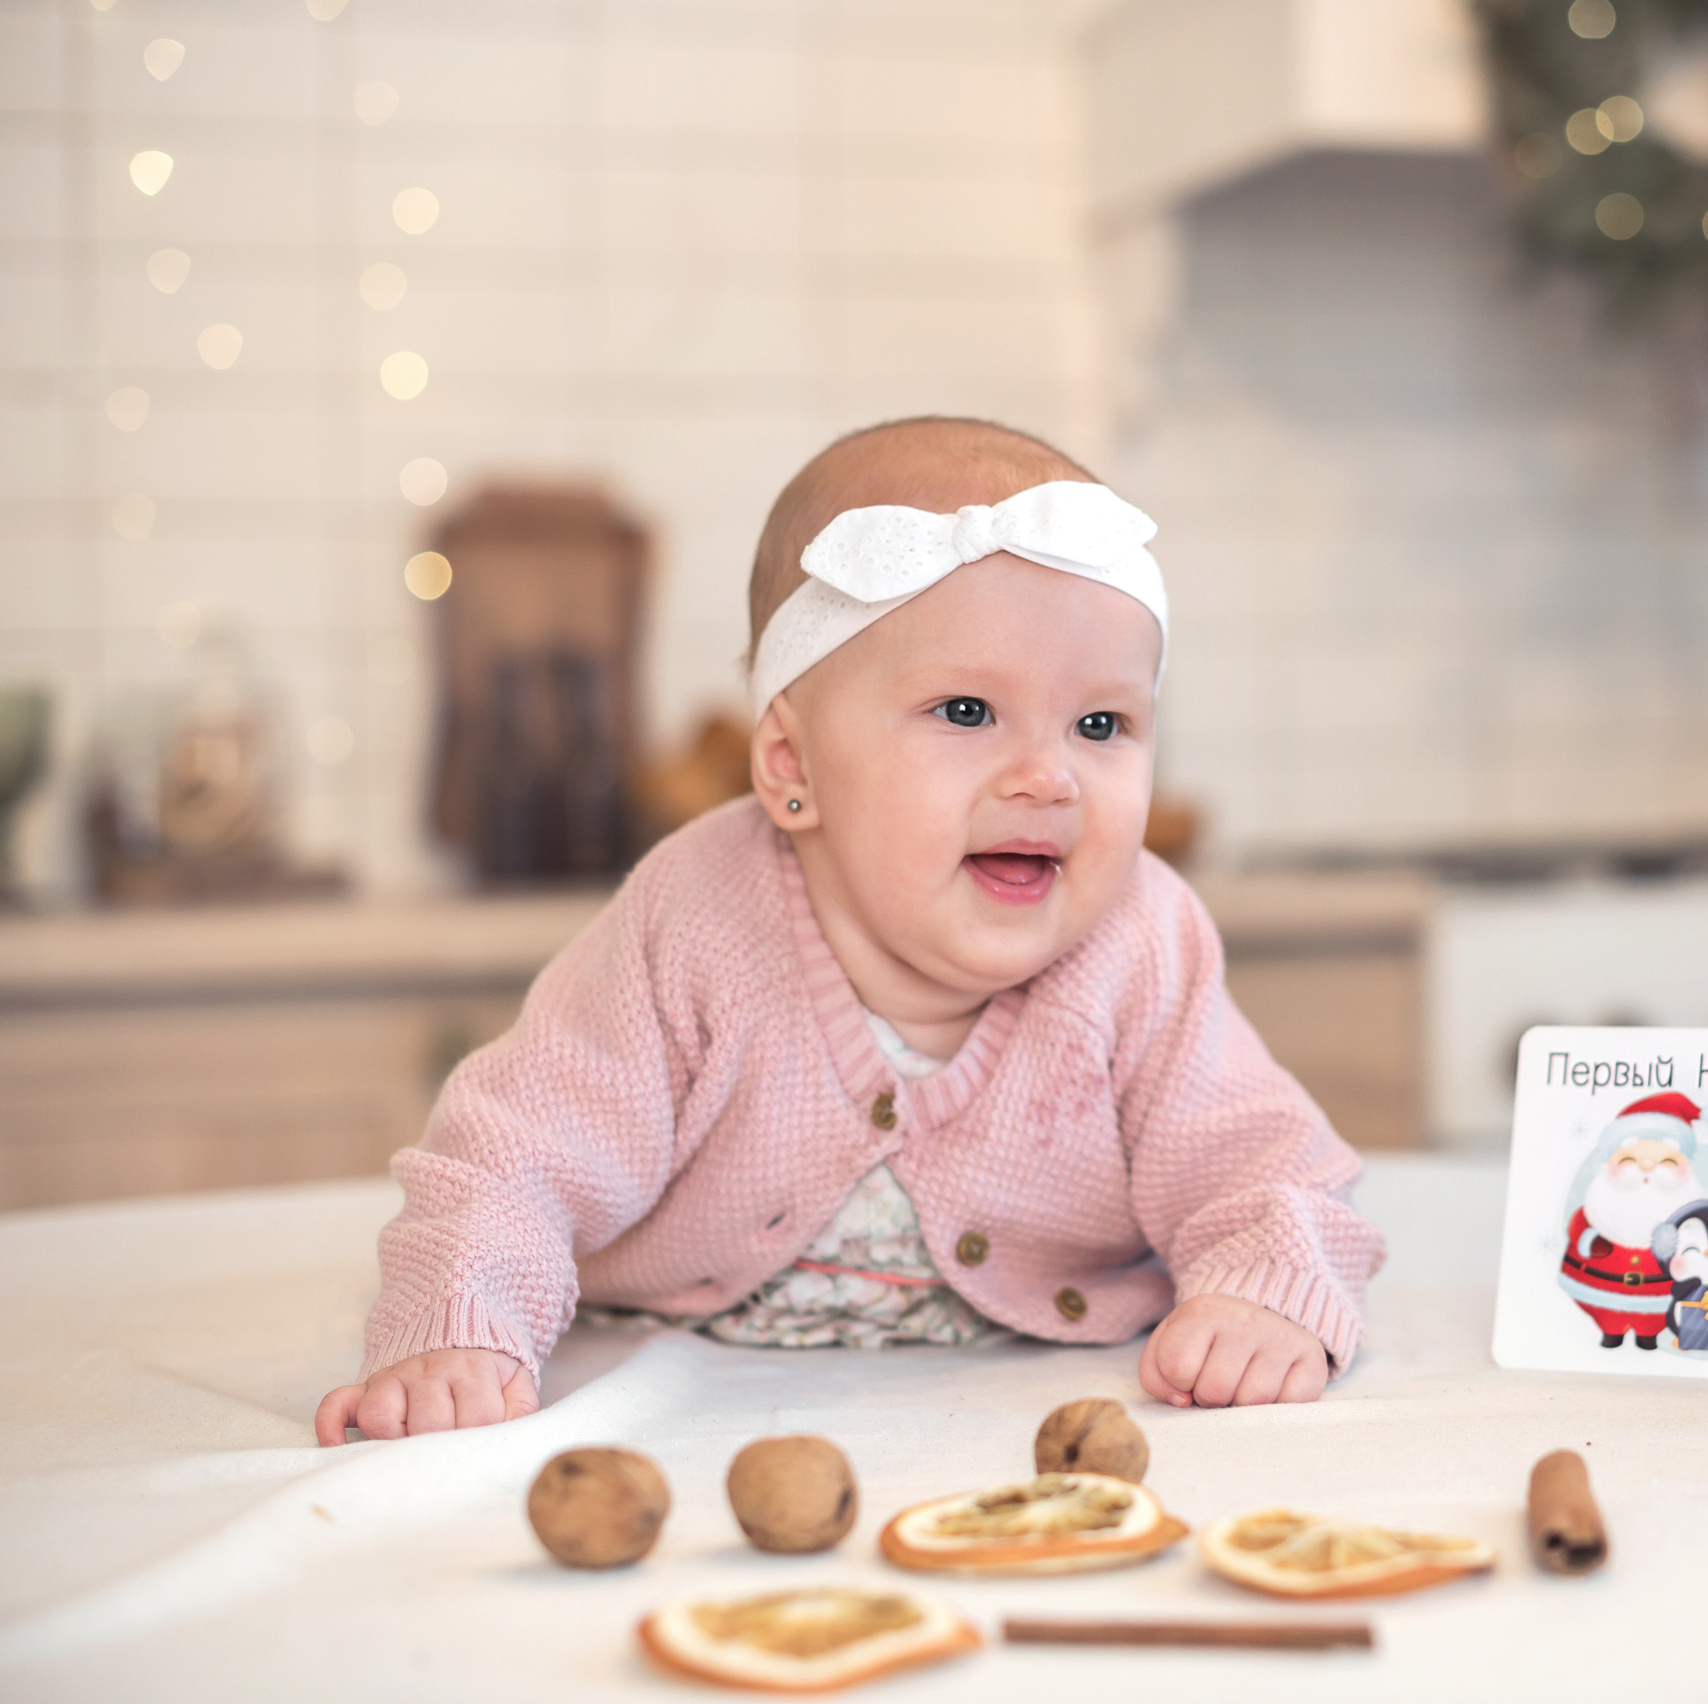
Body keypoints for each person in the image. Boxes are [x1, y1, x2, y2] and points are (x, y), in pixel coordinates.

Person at [317, 417, 1385, 1444]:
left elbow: (1260, 1164)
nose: (1048, 775)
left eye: (1100, 724)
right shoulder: (695, 923)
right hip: (696, 1403)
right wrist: (461, 1330)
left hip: (1015, 1418)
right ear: (791, 766)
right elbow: (514, 1156)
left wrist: (1264, 1297)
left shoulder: (1141, 941)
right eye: (966, 711)